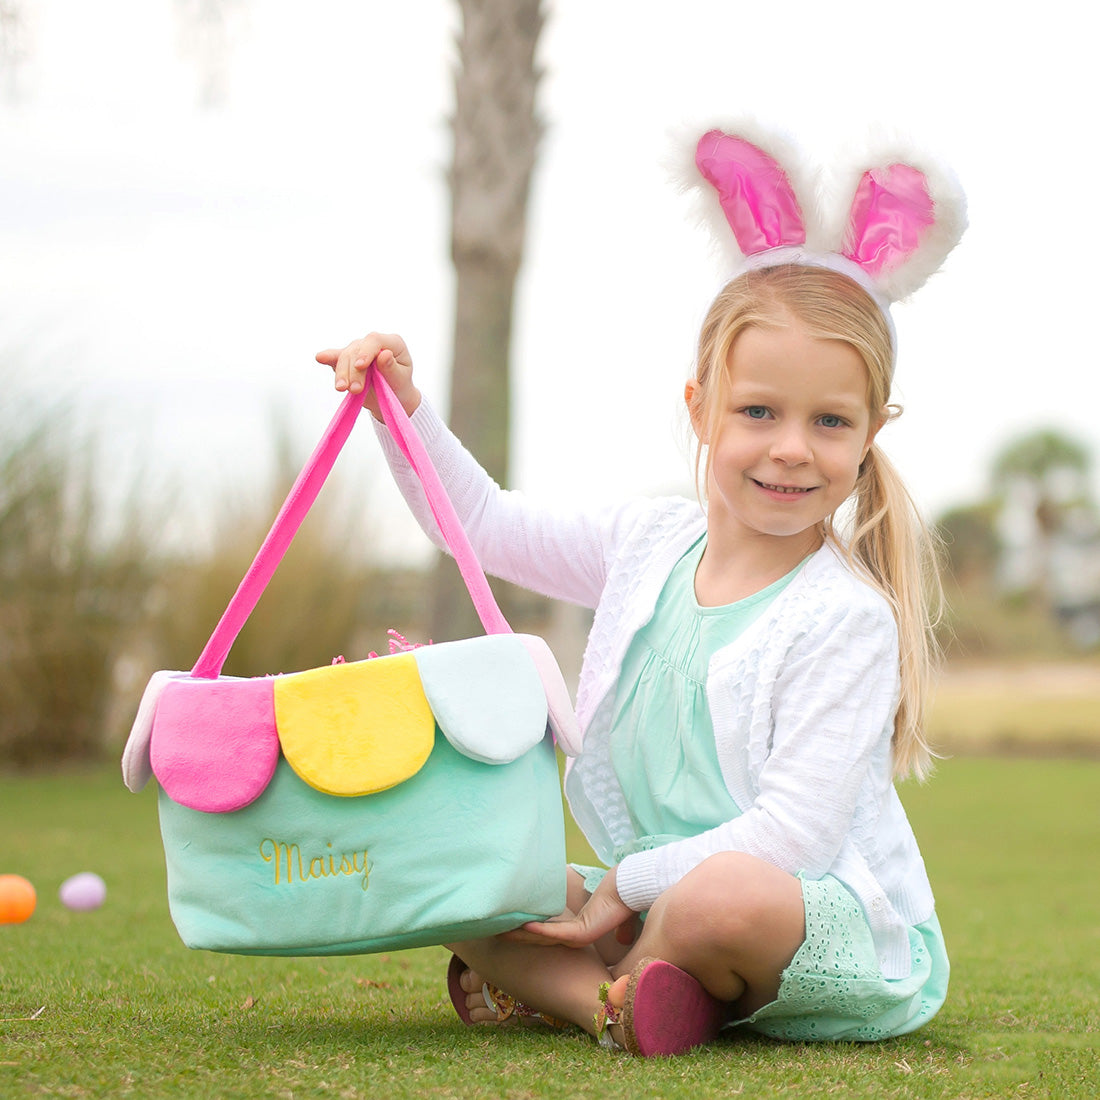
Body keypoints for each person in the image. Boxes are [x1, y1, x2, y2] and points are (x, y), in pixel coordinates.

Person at [316, 124, 966, 1057]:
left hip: (809, 918)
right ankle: (622, 1005)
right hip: (649, 892)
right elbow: (489, 530)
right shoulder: (648, 544)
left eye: (830, 421)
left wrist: (626, 888)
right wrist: (403, 413)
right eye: (758, 412)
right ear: (701, 407)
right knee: (455, 866)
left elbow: (794, 831)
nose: (791, 446)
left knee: (720, 894)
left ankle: (582, 986)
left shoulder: (843, 618)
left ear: (871, 432)